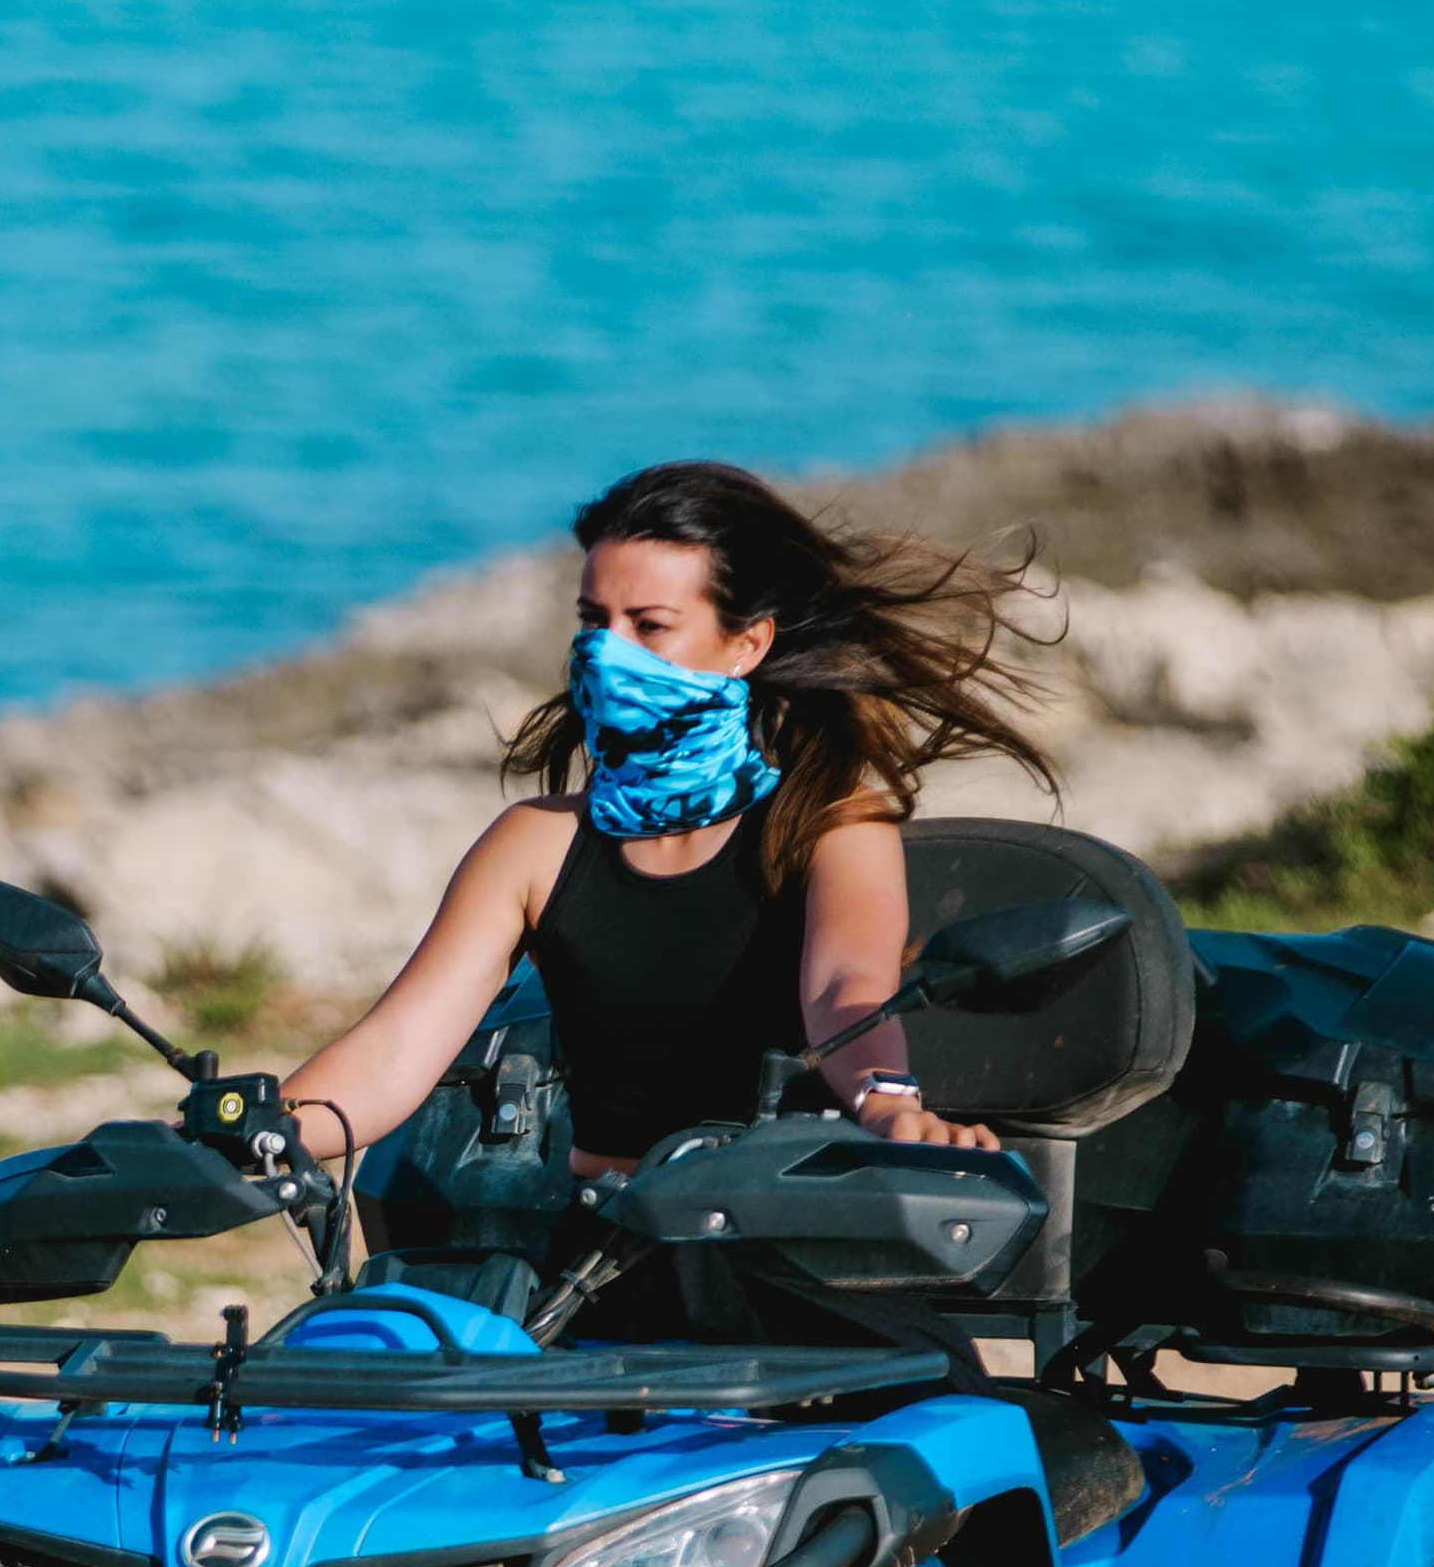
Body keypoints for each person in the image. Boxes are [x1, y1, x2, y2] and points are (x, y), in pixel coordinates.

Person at [267, 458, 1055, 1191]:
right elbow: (389, 1056)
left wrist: (888, 1102)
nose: (606, 653)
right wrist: (242, 1138)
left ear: (746, 644)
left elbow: (849, 991)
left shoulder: (830, 825)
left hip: (775, 1235)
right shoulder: (534, 843)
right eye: (592, 620)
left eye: (649, 625)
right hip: (592, 1255)